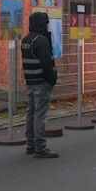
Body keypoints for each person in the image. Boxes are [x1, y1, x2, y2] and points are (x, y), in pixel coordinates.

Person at [21, 12, 59, 158]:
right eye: (46, 22)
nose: (48, 25)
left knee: (31, 113)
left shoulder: (26, 40)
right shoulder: (41, 41)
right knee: (40, 115)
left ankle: (30, 144)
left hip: (30, 82)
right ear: (42, 23)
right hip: (42, 82)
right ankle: (40, 147)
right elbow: (47, 64)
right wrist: (52, 79)